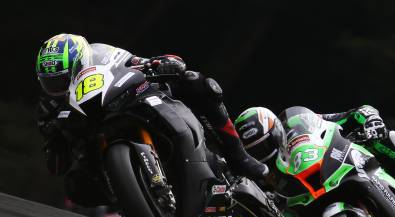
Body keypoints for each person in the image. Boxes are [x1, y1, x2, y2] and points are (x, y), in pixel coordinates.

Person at [35, 33, 267, 207]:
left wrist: (160, 62)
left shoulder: (101, 56)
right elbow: (57, 166)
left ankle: (238, 156)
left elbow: (138, 61)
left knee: (198, 83)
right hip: (95, 145)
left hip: (127, 102)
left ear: (79, 64)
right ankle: (130, 199)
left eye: (64, 79)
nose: (59, 87)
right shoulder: (49, 107)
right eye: (52, 82)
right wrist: (55, 138)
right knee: (75, 186)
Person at [233, 105, 395, 217]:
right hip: (299, 207)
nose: (264, 153)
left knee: (390, 141)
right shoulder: (255, 170)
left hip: (334, 168)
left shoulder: (296, 122)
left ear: (277, 131)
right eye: (255, 151)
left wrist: (369, 120)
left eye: (265, 144)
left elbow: (352, 114)